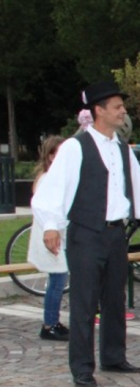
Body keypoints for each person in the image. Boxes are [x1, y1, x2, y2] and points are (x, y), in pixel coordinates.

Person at [32, 81, 140, 387]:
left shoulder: (121, 148)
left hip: (115, 233)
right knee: (85, 302)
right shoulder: (75, 147)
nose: (123, 111)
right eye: (117, 107)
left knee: (114, 298)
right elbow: (54, 188)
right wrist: (51, 224)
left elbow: (135, 184)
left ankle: (113, 356)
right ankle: (82, 367)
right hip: (86, 233)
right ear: (99, 110)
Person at [28, 137, 70, 342]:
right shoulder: (47, 179)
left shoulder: (58, 177)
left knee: (59, 280)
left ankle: (53, 321)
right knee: (57, 281)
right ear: (51, 156)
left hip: (59, 236)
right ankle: (49, 324)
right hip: (52, 238)